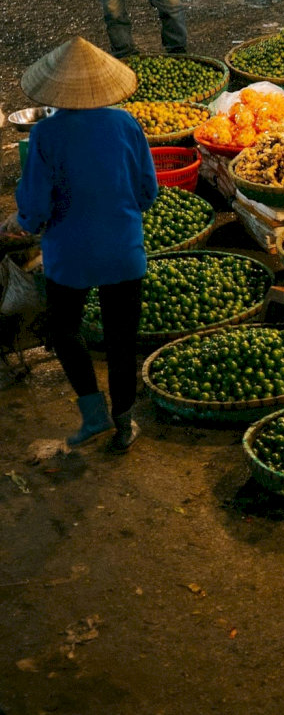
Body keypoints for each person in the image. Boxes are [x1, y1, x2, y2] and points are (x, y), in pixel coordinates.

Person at [14, 37, 157, 453]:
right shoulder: (126, 123)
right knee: (121, 341)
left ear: (55, 91)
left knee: (64, 331)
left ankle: (93, 413)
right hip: (123, 251)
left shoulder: (45, 134)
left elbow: (36, 206)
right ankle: (124, 424)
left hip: (69, 256)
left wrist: (24, 224)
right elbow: (147, 191)